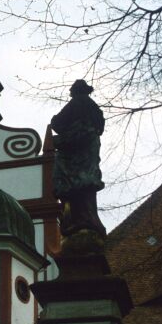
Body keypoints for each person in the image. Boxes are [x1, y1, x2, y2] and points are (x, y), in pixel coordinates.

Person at [51, 80, 106, 238]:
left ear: (75, 91)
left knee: (74, 186)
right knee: (87, 187)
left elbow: (57, 122)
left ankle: (78, 221)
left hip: (75, 156)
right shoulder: (94, 108)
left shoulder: (77, 102)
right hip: (89, 154)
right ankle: (89, 219)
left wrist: (62, 136)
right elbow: (99, 126)